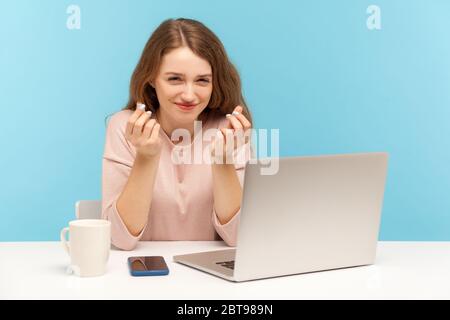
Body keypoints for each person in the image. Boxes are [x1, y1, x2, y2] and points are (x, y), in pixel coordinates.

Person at [102, 18, 253, 251]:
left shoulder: (230, 130)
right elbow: (120, 238)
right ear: (152, 78)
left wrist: (224, 161)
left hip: (211, 279)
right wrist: (146, 156)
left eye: (202, 80)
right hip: (145, 274)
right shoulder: (124, 126)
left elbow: (238, 237)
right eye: (175, 79)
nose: (189, 95)